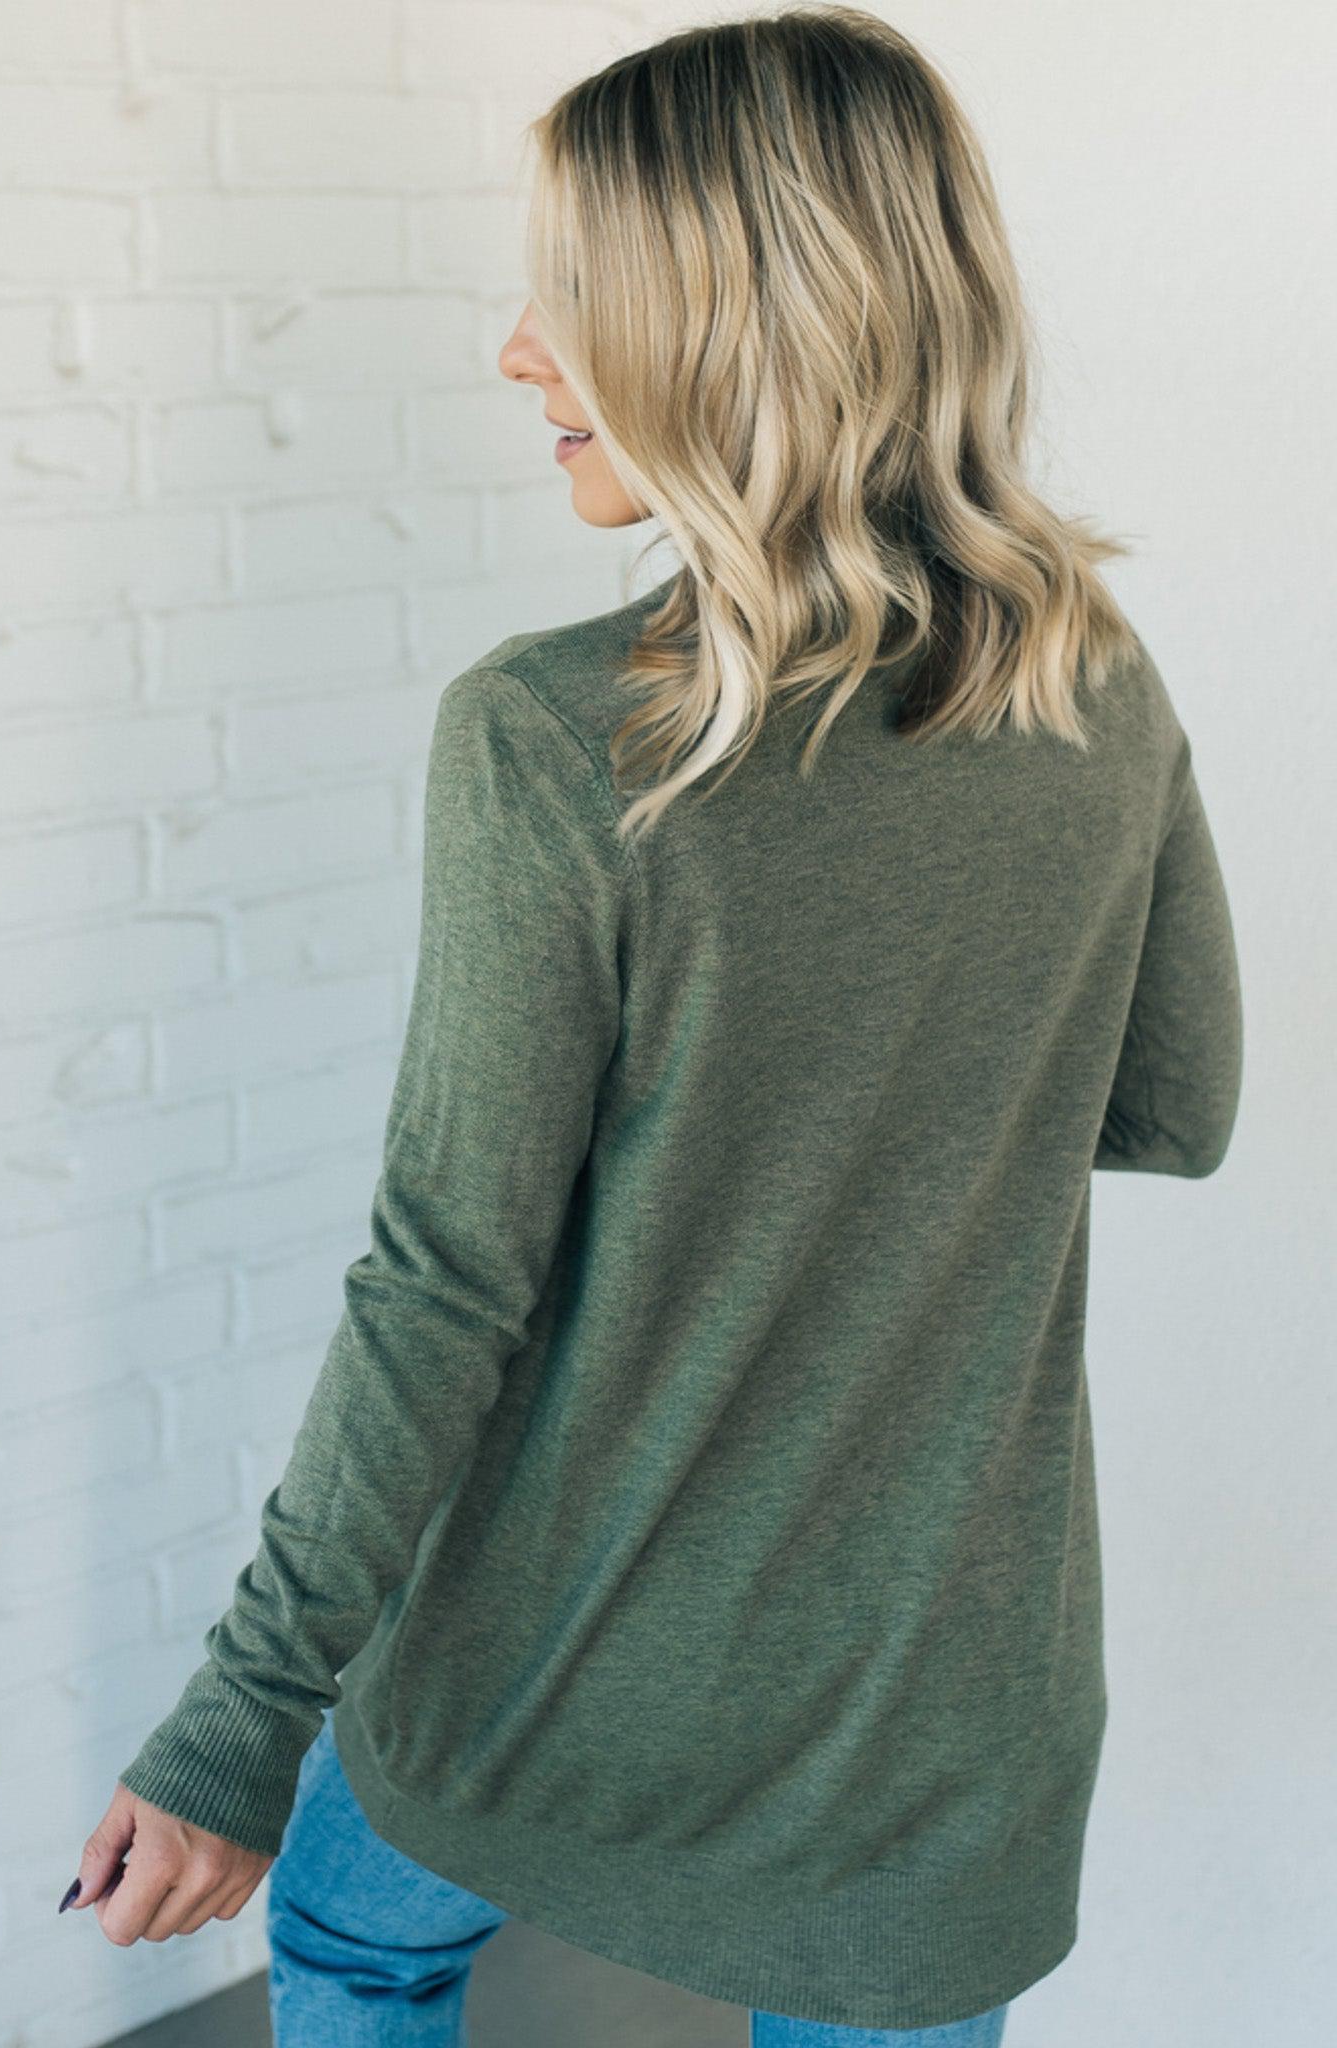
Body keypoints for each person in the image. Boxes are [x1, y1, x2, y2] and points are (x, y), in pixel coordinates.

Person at [61, 9, 1244, 2045]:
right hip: (938, 1724)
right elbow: (1170, 1102)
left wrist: (233, 1730)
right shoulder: (1092, 686)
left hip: (556, 1669)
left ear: (739, 329)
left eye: (572, 298)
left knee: (355, 1939)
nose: (520, 351)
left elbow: (448, 1283)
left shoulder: (557, 738)